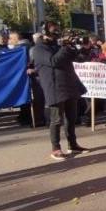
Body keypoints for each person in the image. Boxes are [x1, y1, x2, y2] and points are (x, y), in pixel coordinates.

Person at [31, 22, 90, 160]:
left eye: (57, 29)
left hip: (70, 85)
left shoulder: (57, 46)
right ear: (45, 32)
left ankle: (72, 144)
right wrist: (64, 47)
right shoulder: (39, 49)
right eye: (53, 30)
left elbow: (79, 59)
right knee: (56, 120)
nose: (57, 32)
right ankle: (56, 148)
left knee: (71, 117)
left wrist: (84, 48)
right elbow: (54, 61)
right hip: (55, 87)